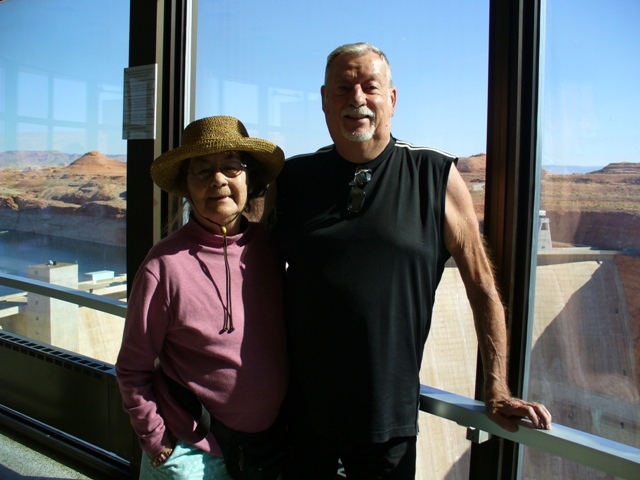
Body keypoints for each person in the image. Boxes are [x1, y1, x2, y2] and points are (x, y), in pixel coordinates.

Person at [272, 42, 552, 479]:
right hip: (299, 419)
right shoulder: (292, 179)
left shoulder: (434, 174)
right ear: (325, 100)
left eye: (370, 87)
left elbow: (482, 285)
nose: (357, 99)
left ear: (392, 99)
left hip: (388, 425)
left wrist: (496, 387)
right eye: (343, 88)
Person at [116, 116, 288, 479]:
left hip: (267, 450)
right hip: (192, 454)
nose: (219, 180)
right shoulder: (163, 267)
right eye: (203, 171)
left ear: (249, 178)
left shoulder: (271, 250)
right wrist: (156, 441)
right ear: (186, 187)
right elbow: (133, 368)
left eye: (231, 167)